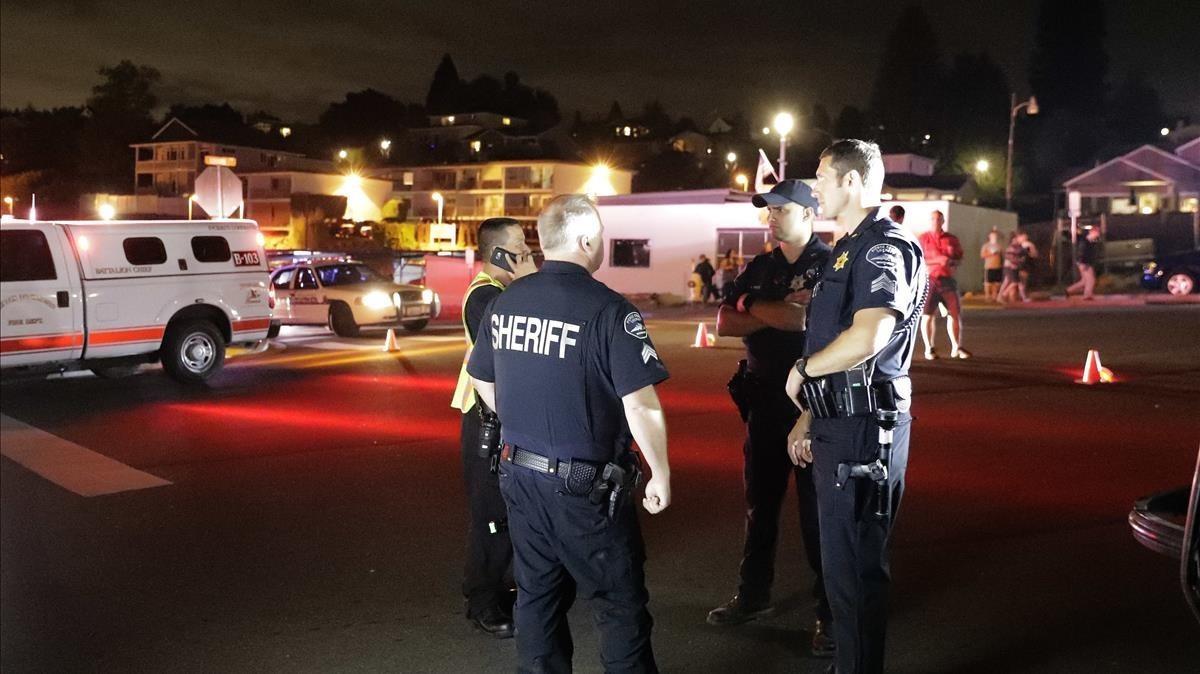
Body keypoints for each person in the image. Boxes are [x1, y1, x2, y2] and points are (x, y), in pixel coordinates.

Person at [467, 194, 672, 673]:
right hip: (584, 487)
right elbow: (640, 402)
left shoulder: (508, 300)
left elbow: (481, 378)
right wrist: (660, 471)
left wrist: (520, 420)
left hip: (519, 474)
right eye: (599, 234)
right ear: (586, 241)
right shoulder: (609, 310)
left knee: (537, 596)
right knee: (617, 602)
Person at [784, 139, 926, 674]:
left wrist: (803, 372)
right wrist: (809, 415)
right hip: (838, 420)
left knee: (856, 570)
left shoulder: (883, 247)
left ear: (851, 181)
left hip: (865, 429)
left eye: (821, 176)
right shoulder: (848, 247)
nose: (815, 185)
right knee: (839, 568)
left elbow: (869, 335)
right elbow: (836, 344)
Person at [707, 180, 835, 656]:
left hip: (813, 405)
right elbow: (724, 322)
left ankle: (830, 611)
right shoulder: (760, 266)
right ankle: (753, 595)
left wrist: (751, 308)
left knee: (817, 515)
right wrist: (767, 309)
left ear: (808, 213)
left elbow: (805, 322)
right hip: (763, 404)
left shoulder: (829, 265)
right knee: (760, 505)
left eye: (781, 209)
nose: (771, 217)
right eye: (769, 210)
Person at [450, 217, 538, 638]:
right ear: (500, 253)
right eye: (521, 244)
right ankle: (482, 601)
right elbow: (514, 344)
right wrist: (533, 282)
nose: (529, 250)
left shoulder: (503, 292)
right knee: (491, 516)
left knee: (511, 513)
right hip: (486, 422)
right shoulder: (485, 297)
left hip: (506, 418)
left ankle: (505, 587)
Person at [918, 210, 968, 359]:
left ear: (943, 221)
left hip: (947, 281)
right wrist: (937, 260)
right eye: (933, 219)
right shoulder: (923, 239)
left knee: (955, 314)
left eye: (939, 219)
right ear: (930, 220)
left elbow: (959, 258)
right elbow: (918, 260)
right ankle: (929, 349)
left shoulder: (951, 239)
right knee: (927, 315)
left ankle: (956, 347)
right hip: (930, 280)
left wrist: (951, 262)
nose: (936, 221)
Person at [999, 231, 1037, 303]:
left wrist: (1030, 250)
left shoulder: (1022, 246)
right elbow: (1010, 257)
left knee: (1017, 282)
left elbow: (1032, 254)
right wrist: (1018, 260)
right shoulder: (1013, 247)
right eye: (1022, 236)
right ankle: (1004, 294)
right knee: (1015, 282)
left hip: (1017, 266)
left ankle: (1022, 297)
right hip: (1012, 266)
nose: (1025, 238)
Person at [1066, 227, 1101, 300]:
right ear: (1092, 232)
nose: (1098, 235)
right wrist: (1086, 264)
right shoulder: (1087, 241)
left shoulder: (1088, 241)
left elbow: (1084, 253)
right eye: (1097, 233)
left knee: (1084, 281)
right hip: (1084, 263)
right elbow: (1083, 253)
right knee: (1091, 280)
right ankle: (1087, 295)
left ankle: (1068, 290)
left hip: (1083, 262)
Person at [980, 229, 1004, 301]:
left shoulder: (999, 246)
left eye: (996, 236)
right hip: (989, 266)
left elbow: (1002, 255)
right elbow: (982, 255)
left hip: (998, 266)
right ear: (989, 236)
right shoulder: (986, 245)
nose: (994, 237)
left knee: (996, 282)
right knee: (988, 282)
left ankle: (995, 296)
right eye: (993, 236)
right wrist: (991, 254)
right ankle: (987, 296)